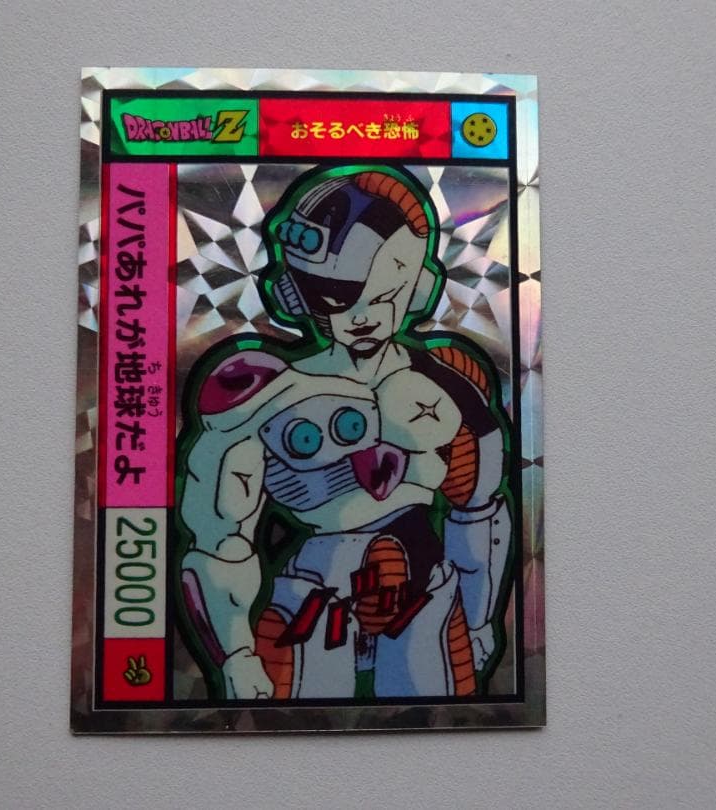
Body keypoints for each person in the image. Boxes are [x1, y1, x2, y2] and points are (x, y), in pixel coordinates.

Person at [177, 165, 513, 699]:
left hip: (422, 589)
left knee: (432, 715)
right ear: (295, 295)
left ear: (418, 287)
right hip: (316, 595)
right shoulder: (269, 392)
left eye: (381, 298)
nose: (362, 318)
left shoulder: (448, 382)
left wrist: (479, 620)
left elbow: (479, 510)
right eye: (337, 301)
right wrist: (236, 657)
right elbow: (220, 538)